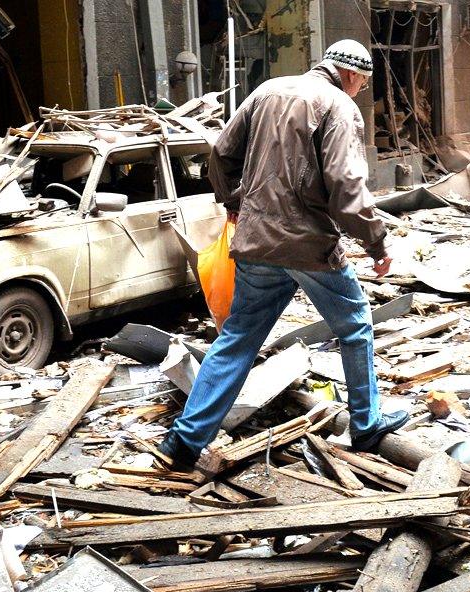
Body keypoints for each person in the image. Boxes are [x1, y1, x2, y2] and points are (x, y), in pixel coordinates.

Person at [158, 39, 410, 469]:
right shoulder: (338, 106)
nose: (359, 91)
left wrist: (234, 201)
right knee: (355, 327)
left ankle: (183, 442)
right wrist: (377, 242)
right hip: (308, 244)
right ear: (351, 74)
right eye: (363, 84)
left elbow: (221, 153)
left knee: (237, 339)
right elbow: (346, 186)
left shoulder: (267, 90)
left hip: (257, 241)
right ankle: (366, 425)